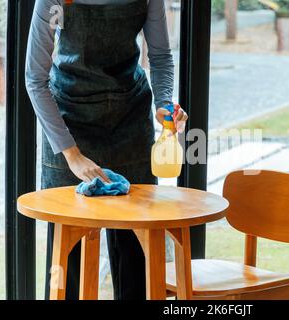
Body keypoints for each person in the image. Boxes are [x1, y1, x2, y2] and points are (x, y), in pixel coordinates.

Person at [25, 0, 187, 300]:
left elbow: (161, 58)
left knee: (136, 255)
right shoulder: (54, 1)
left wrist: (165, 107)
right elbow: (35, 79)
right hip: (69, 122)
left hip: (130, 120)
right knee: (68, 257)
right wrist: (71, 154)